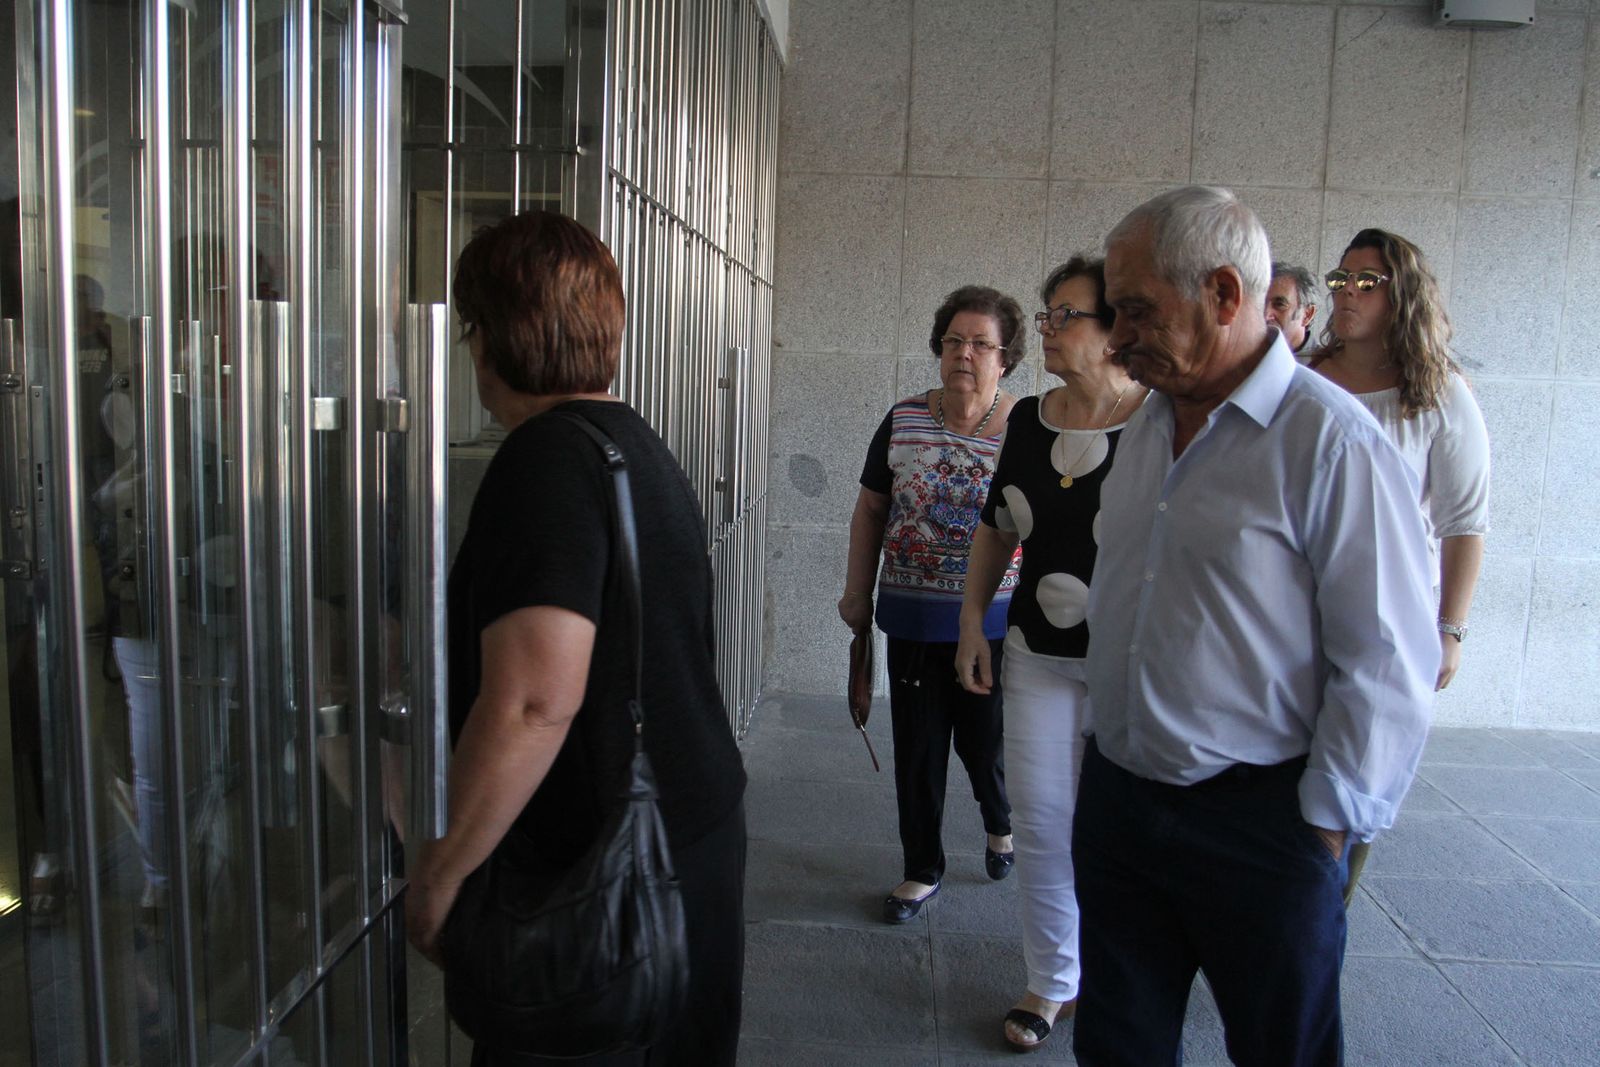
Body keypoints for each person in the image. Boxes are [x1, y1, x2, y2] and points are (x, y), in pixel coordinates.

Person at [1073, 186, 1439, 1066]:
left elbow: (1387, 660)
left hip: (1263, 826)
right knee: (1118, 1047)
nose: (1115, 338)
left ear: (1226, 296)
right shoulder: (1144, 429)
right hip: (1122, 803)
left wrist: (1321, 827)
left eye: (1135, 310)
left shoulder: (1334, 444)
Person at [405, 211, 747, 1066]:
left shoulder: (543, 462)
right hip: (685, 836)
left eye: (470, 327)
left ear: (495, 338)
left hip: (597, 874)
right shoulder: (630, 443)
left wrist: (440, 876)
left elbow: (532, 701)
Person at [955, 257, 1147, 1052]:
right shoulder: (1029, 421)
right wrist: (974, 619)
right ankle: (1051, 977)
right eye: (1047, 315)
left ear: (1114, 331)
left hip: (1133, 660)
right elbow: (999, 527)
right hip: (1036, 648)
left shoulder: (1161, 424)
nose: (1049, 330)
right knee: (1038, 818)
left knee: (1121, 827)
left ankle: (1124, 971)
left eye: (1066, 315)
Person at [1308, 227, 1490, 903]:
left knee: (1353, 790)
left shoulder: (1438, 392)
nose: (1347, 291)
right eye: (1341, 278)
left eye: (1367, 281)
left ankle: (1321, 922)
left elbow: (1465, 522)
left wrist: (1452, 628)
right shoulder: (1305, 378)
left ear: (1402, 295)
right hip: (1297, 610)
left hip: (1389, 624)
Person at [838, 285, 1024, 924]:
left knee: (983, 743)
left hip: (993, 623)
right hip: (913, 613)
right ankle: (922, 868)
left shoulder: (1023, 429)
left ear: (1006, 358)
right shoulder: (904, 418)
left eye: (980, 343)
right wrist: (857, 592)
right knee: (918, 746)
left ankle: (999, 825)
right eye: (953, 340)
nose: (964, 353)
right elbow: (870, 508)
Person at [1266, 260, 1318, 355]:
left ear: (1307, 315)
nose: (1266, 314)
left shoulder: (1324, 367)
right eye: (1261, 304)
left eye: (1279, 304)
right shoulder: (1244, 358)